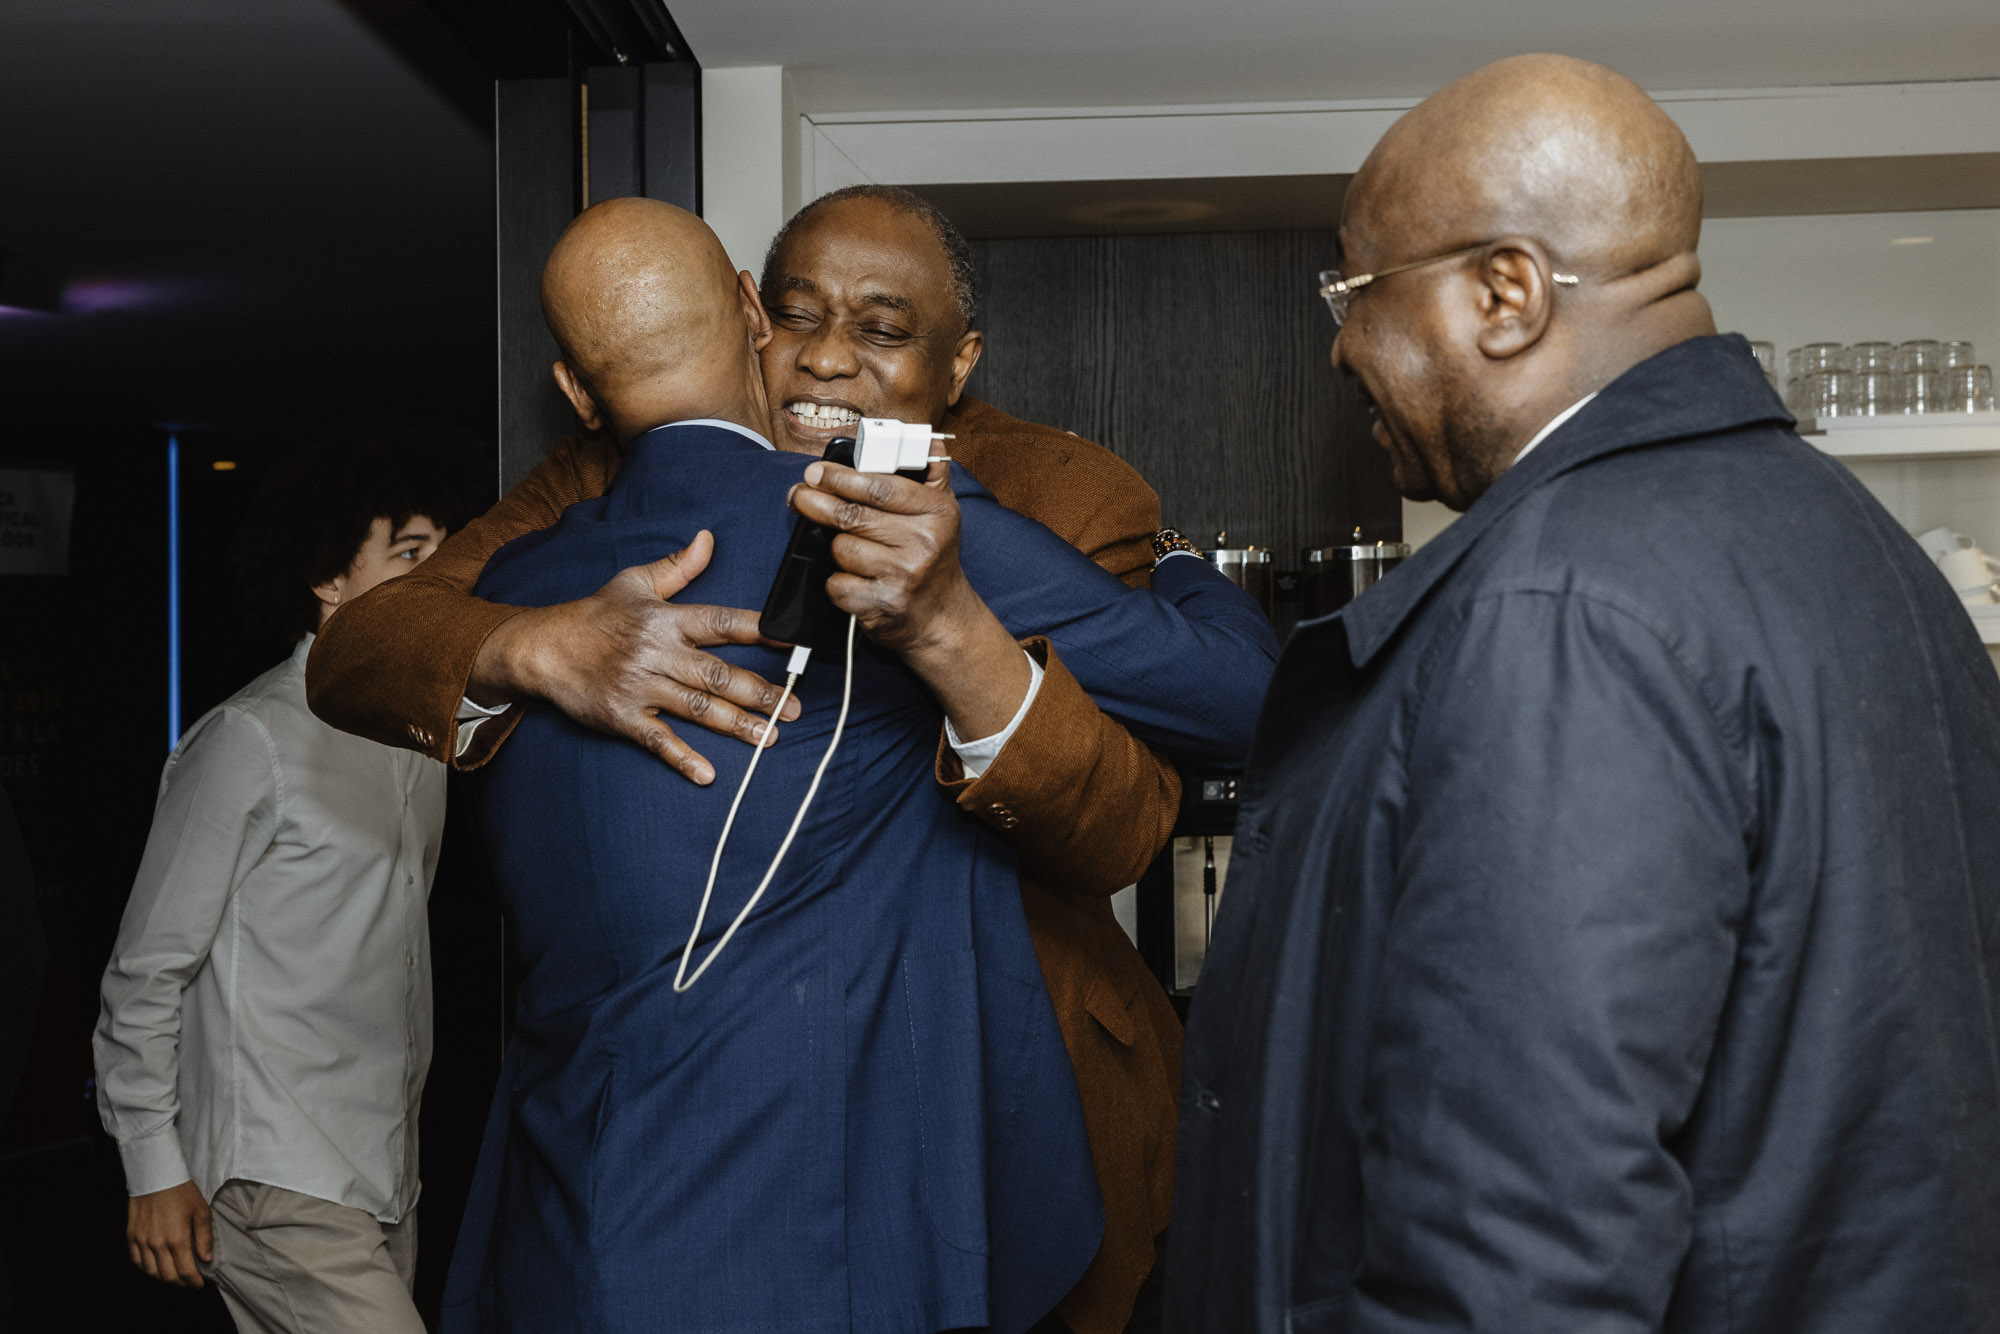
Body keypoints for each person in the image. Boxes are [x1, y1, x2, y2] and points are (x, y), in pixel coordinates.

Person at [1169, 53, 2000, 1332]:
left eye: (1353, 291)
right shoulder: (1851, 538)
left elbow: (1512, 1251)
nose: (1339, 346)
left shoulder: (1560, 603)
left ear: (1504, 294)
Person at [309, 186, 1202, 1332]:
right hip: (751, 1160)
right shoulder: (576, 506)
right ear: (750, 316)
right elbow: (363, 646)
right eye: (800, 315)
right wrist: (537, 645)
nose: (825, 358)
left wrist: (956, 638)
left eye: (880, 328)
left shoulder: (1042, 495)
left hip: (1002, 1103)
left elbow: (1137, 808)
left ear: (959, 362)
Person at [93, 436, 473, 1333]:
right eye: (409, 552)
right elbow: (146, 968)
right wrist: (153, 1167)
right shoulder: (250, 739)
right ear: (327, 576)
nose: (439, 578)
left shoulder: (422, 735)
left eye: (444, 552)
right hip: (275, 1167)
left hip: (384, 1165)